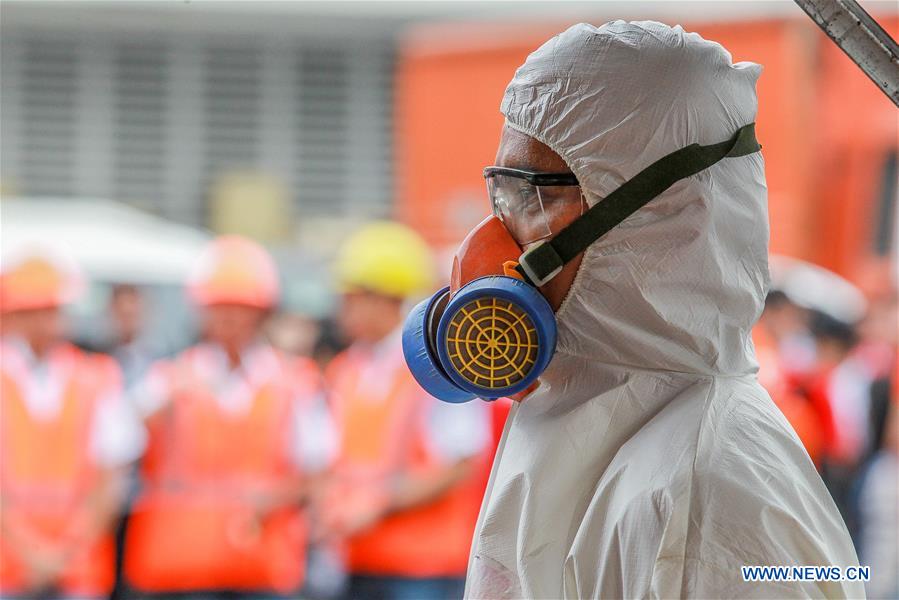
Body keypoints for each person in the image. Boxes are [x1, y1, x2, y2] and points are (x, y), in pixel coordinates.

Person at [462, 22, 862, 598]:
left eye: (536, 195)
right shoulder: (592, 417)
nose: (499, 233)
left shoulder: (711, 496)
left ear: (658, 216)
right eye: (501, 192)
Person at [123, 236, 336, 599]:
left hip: (261, 568)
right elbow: (118, 441)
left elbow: (317, 471)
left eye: (241, 307)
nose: (229, 317)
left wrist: (269, 501)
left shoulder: (293, 382)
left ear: (262, 313)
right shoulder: (170, 378)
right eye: (219, 307)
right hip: (181, 570)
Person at [323, 222, 490, 600]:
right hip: (360, 562)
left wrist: (377, 505)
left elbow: (461, 461)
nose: (343, 308)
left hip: (423, 568)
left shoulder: (433, 364)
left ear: (388, 298)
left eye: (353, 296)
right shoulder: (346, 371)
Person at [0, 253, 145, 599]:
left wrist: (65, 550)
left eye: (50, 310)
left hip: (78, 570)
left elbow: (111, 480)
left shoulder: (96, 377)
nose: (42, 322)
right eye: (31, 311)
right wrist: (29, 551)